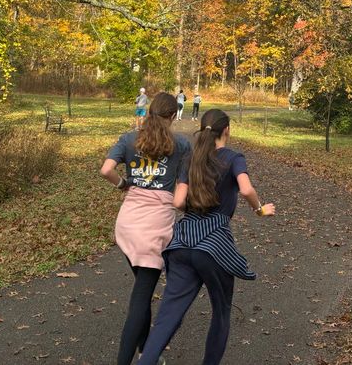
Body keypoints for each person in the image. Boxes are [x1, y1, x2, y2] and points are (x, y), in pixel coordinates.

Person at [136, 109, 275, 365]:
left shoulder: (192, 158)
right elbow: (246, 189)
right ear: (227, 130)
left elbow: (178, 202)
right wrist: (260, 210)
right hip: (213, 246)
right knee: (221, 313)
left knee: (168, 315)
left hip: (182, 243)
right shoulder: (234, 158)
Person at [101, 93, 191, 365]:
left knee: (143, 291)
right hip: (155, 227)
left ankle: (147, 352)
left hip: (128, 222)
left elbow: (106, 170)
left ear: (150, 112)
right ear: (174, 116)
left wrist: (123, 184)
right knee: (141, 297)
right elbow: (182, 194)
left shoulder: (130, 139)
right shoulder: (183, 144)